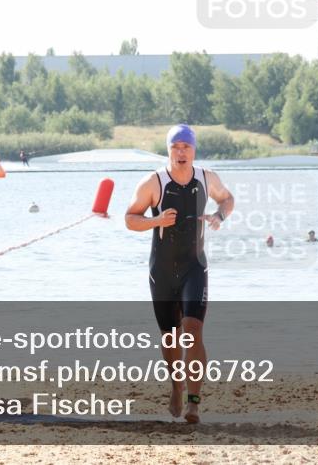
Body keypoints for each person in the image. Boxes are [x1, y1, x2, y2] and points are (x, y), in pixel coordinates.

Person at [125, 124, 234, 424]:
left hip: (194, 266)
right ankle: (176, 386)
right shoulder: (153, 183)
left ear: (194, 150)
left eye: (186, 146)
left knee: (193, 329)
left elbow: (227, 199)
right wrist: (156, 220)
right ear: (169, 150)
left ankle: (193, 403)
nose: (181, 152)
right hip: (161, 270)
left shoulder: (207, 178)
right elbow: (130, 218)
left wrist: (219, 215)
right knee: (170, 336)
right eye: (176, 147)